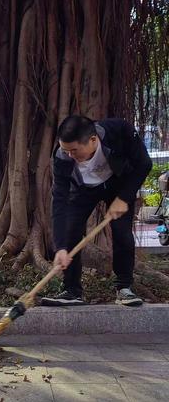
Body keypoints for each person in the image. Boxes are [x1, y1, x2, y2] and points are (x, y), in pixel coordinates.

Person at [41, 115, 152, 307]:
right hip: (83, 189)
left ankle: (124, 288)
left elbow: (144, 164)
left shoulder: (118, 132)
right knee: (70, 231)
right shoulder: (62, 156)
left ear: (93, 140)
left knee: (121, 233)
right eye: (65, 150)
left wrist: (124, 197)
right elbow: (59, 200)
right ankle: (71, 290)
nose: (69, 155)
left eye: (74, 150)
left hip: (119, 184)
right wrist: (60, 247)